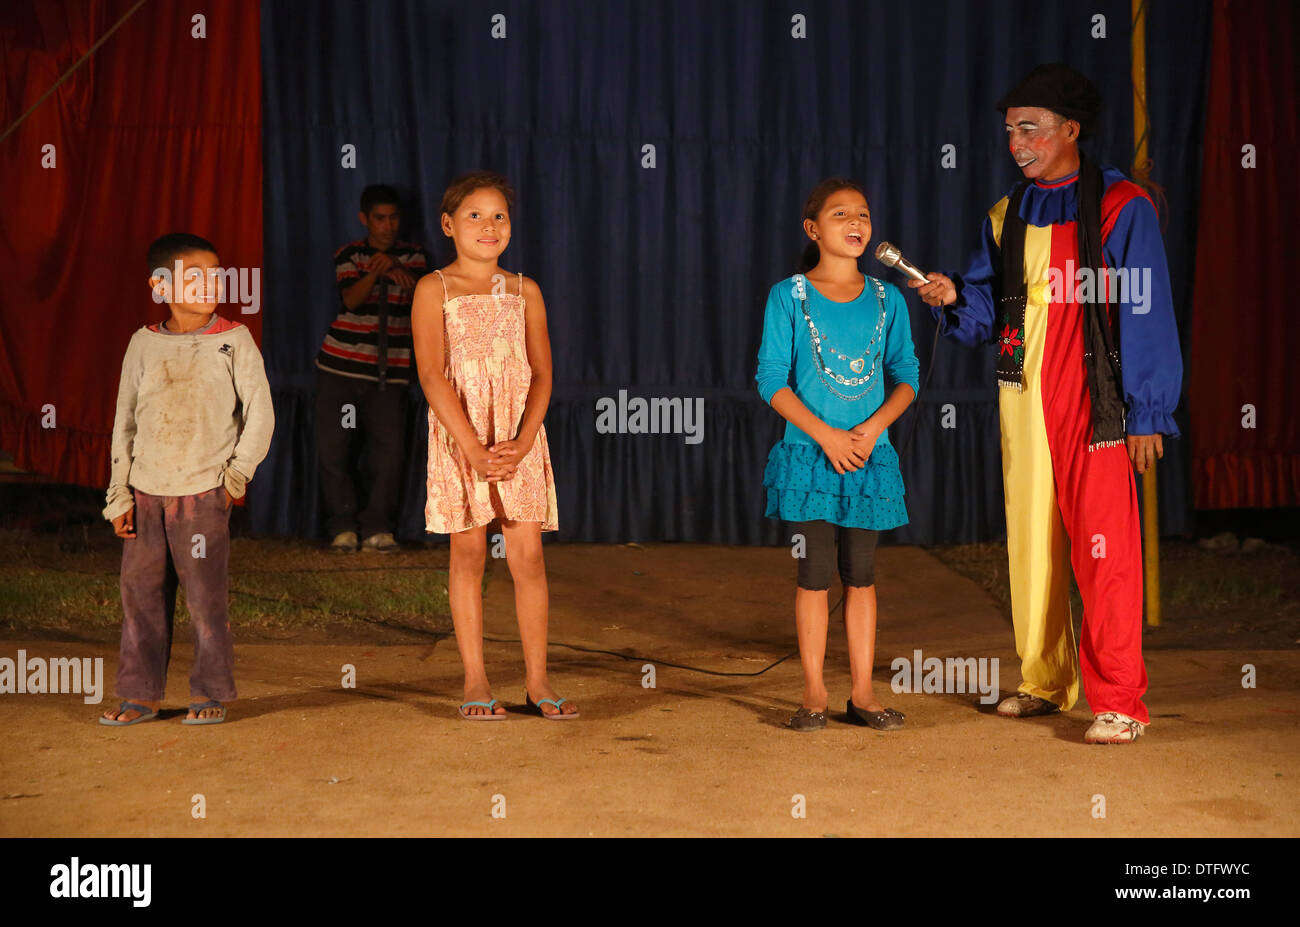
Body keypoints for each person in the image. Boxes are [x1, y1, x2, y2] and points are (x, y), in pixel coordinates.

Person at [910, 64, 1182, 744]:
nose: (1017, 141)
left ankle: (1120, 699)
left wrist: (1148, 410)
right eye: (1009, 130)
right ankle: (1045, 679)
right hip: (1022, 402)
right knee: (1033, 547)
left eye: (1030, 128)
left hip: (1095, 404)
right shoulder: (1007, 215)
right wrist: (950, 298)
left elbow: (1146, 310)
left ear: (1070, 130)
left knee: (1104, 551)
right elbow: (981, 313)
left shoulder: (1124, 208)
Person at [756, 177, 920, 732]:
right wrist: (825, 435)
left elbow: (907, 377)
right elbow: (770, 379)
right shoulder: (790, 296)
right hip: (810, 457)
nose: (856, 223)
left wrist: (872, 429)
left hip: (868, 459)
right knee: (813, 574)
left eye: (864, 215)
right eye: (841, 214)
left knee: (862, 575)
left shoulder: (886, 298)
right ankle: (813, 693)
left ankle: (864, 694)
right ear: (813, 229)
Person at [410, 171, 572, 721]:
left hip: (518, 439)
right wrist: (473, 449)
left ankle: (537, 679)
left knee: (527, 557)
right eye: (475, 215)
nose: (489, 225)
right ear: (449, 224)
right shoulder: (434, 288)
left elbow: (544, 374)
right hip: (462, 438)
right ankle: (476, 679)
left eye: (499, 215)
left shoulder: (525, 290)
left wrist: (524, 441)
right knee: (470, 553)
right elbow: (432, 375)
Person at [100, 233, 274, 726]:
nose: (209, 284)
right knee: (140, 599)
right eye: (193, 276)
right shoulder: (143, 343)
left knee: (205, 600)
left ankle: (209, 693)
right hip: (146, 491)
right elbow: (125, 421)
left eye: (215, 275)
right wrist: (119, 494)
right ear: (160, 285)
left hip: (202, 493)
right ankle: (140, 696)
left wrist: (235, 477)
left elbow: (260, 413)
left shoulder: (233, 340)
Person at [315, 184, 430, 553]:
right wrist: (376, 273)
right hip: (340, 370)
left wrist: (395, 268)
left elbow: (424, 303)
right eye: (380, 218)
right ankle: (343, 528)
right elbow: (350, 299)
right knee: (334, 450)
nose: (388, 225)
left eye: (394, 217)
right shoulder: (350, 254)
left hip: (389, 374)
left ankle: (379, 528)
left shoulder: (413, 257)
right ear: (365, 219)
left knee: (389, 454)